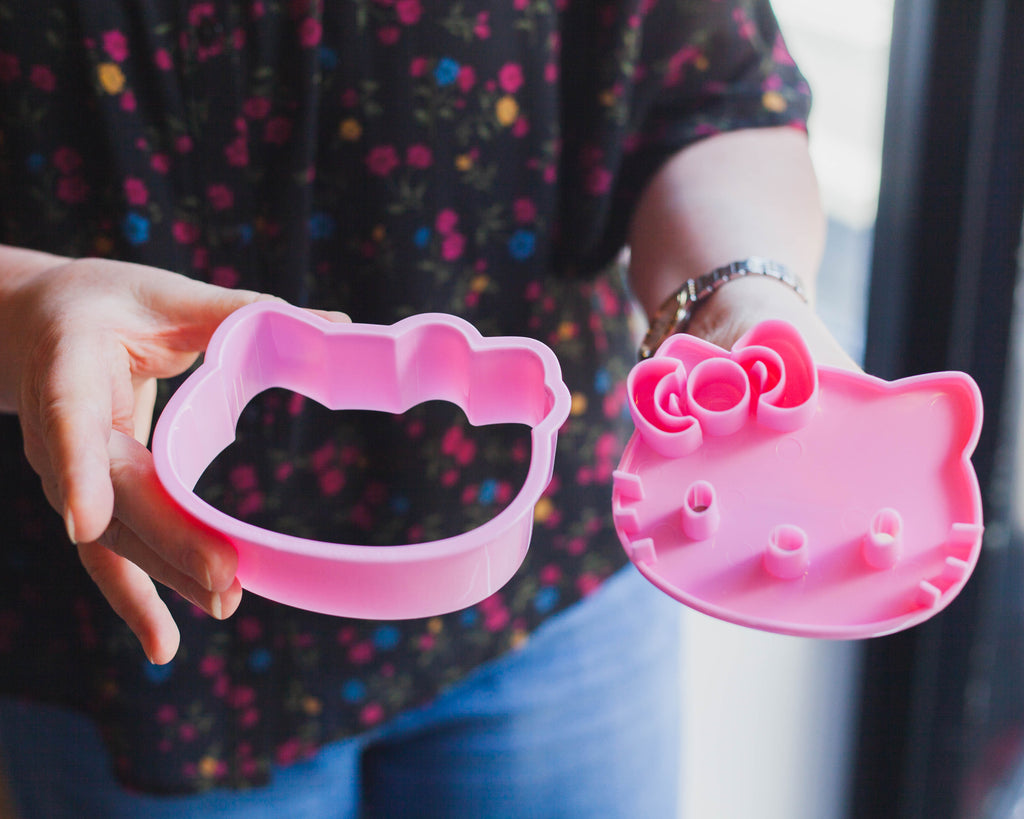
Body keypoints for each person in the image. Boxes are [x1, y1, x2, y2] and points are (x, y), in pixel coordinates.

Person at [0, 0, 855, 816]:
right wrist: (29, 305)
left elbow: (708, 88)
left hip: (548, 589)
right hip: (130, 605)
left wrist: (740, 293)